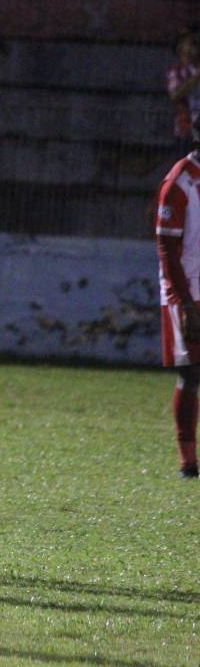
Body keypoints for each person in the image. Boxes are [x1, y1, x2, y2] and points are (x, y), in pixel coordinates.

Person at [155, 118, 200, 479]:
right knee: (192, 371)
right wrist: (183, 303)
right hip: (186, 292)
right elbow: (167, 248)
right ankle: (188, 462)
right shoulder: (179, 183)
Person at [168, 26, 200, 158]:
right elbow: (174, 94)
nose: (195, 48)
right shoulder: (177, 71)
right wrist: (196, 77)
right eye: (191, 43)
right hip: (187, 131)